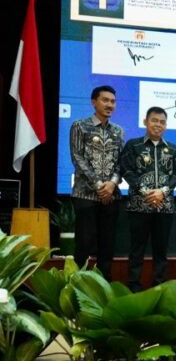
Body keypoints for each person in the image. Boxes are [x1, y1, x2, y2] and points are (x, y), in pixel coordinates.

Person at [119, 106, 176, 291]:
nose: (158, 125)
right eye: (154, 120)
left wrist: (163, 191)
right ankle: (134, 286)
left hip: (165, 206)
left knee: (161, 250)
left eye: (162, 122)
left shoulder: (173, 149)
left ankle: (159, 285)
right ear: (145, 122)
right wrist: (145, 191)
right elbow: (126, 170)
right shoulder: (133, 145)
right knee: (137, 249)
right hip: (139, 206)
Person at [70, 85, 124, 279]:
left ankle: (104, 287)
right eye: (105, 100)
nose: (110, 105)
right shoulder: (80, 126)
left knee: (107, 247)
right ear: (94, 102)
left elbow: (121, 162)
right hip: (85, 195)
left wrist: (112, 183)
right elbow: (77, 158)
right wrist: (99, 185)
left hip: (110, 197)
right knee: (83, 245)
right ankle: (78, 285)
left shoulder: (118, 131)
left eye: (113, 101)